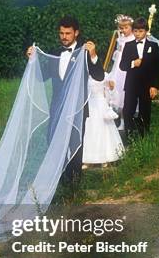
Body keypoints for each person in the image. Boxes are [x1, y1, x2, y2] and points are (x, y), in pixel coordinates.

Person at [26, 15, 105, 181]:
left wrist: (94, 56)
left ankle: (74, 185)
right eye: (61, 33)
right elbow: (42, 77)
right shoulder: (55, 53)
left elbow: (99, 76)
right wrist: (33, 61)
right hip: (57, 107)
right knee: (53, 142)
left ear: (76, 33)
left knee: (75, 146)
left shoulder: (84, 52)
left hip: (77, 109)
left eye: (68, 33)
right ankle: (59, 180)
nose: (64, 37)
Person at [119, 17, 159, 138]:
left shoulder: (153, 46)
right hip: (131, 84)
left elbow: (155, 68)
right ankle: (129, 135)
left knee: (145, 111)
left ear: (146, 31)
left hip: (147, 85)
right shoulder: (128, 45)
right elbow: (122, 65)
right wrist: (133, 63)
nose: (138, 34)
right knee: (128, 111)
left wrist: (154, 86)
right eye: (135, 31)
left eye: (141, 31)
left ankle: (144, 136)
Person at [82, 78, 125, 165]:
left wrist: (112, 88)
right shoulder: (85, 74)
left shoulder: (104, 75)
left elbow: (111, 94)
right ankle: (88, 159)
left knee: (104, 130)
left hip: (101, 104)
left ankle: (105, 157)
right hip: (90, 105)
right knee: (90, 130)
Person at [105, 14, 136, 131]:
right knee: (115, 91)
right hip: (118, 67)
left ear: (131, 27)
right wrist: (118, 52)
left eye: (126, 27)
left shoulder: (134, 39)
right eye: (121, 28)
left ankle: (126, 120)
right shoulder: (120, 38)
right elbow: (116, 54)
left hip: (127, 68)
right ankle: (117, 119)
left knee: (125, 93)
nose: (123, 30)